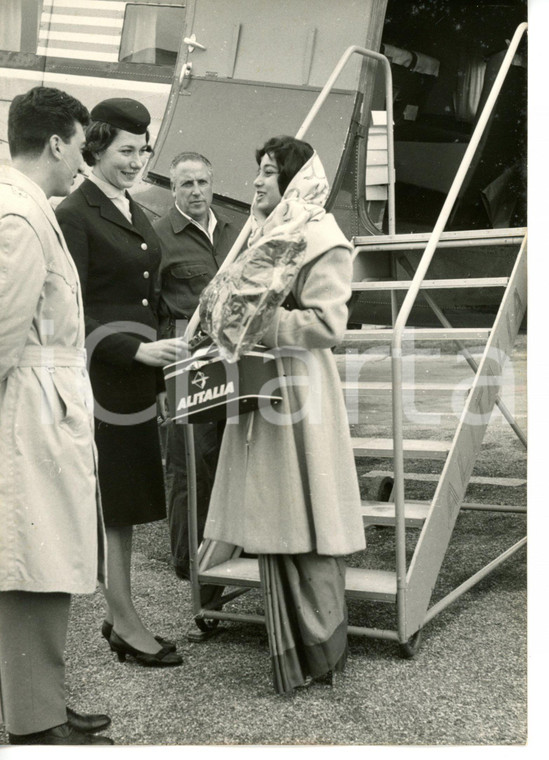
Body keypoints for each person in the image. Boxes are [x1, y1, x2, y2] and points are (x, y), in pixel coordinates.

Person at [202, 136, 366, 694]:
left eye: (269, 173)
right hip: (263, 387)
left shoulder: (319, 238)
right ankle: (294, 646)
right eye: (259, 170)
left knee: (307, 515)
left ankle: (321, 647)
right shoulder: (262, 233)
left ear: (295, 180)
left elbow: (327, 326)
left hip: (300, 392)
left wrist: (255, 326)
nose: (257, 182)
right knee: (278, 513)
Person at [0, 86, 113, 744]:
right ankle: (33, 719)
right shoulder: (19, 215)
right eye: (79, 145)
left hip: (43, 408)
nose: (82, 160)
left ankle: (36, 699)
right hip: (28, 416)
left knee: (43, 561)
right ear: (54, 143)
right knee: (29, 563)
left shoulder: (27, 208)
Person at [55, 98, 184, 667]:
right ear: (95, 149)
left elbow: (146, 294)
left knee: (126, 501)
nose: (137, 161)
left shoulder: (131, 209)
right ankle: (126, 621)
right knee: (112, 502)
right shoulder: (75, 213)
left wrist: (153, 361)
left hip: (134, 380)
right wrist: (134, 348)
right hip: (100, 377)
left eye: (143, 150)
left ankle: (119, 614)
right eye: (125, 151)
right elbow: (68, 309)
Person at [153, 152, 241, 580]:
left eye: (202, 182)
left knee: (233, 456)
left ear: (213, 183)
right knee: (190, 464)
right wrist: (159, 384)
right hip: (188, 363)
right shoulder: (158, 239)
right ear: (173, 190)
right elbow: (151, 316)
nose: (196, 192)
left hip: (235, 359)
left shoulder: (234, 231)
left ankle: (234, 552)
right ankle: (191, 563)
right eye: (186, 184)